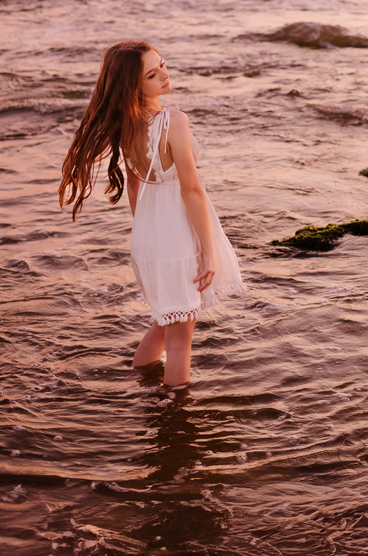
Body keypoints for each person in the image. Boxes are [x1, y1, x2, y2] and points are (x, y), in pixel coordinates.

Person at [59, 40, 245, 389]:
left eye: (162, 64)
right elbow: (191, 189)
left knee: (164, 323)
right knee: (180, 339)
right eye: (152, 73)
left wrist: (146, 232)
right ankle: (176, 415)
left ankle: (140, 388)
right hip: (177, 233)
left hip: (150, 234)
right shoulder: (173, 121)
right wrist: (207, 249)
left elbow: (134, 185)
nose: (164, 74)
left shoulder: (126, 124)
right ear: (134, 86)